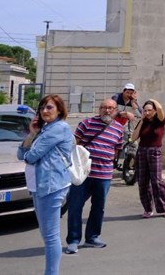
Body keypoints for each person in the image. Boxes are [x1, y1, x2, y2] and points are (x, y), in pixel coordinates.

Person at [17, 95, 73, 275]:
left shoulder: (60, 128)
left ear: (59, 110)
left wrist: (27, 154)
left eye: (49, 107)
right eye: (42, 108)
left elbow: (31, 156)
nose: (44, 111)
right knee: (47, 235)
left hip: (51, 186)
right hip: (38, 186)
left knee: (50, 236)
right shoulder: (44, 129)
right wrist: (32, 133)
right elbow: (21, 153)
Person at [65, 98, 125, 254]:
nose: (107, 110)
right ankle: (73, 240)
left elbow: (116, 150)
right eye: (104, 107)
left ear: (116, 110)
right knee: (75, 206)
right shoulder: (87, 123)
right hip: (83, 174)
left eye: (111, 108)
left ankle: (92, 237)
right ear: (99, 109)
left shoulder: (119, 128)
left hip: (104, 174)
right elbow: (74, 145)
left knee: (98, 207)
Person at [131, 99, 165, 218]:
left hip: (155, 151)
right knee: (142, 182)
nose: (147, 112)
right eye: (145, 110)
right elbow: (133, 138)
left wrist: (151, 100)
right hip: (142, 152)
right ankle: (147, 208)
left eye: (150, 110)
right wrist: (141, 121)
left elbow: (160, 109)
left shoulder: (160, 121)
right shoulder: (143, 122)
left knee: (157, 181)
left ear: (154, 111)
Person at [113, 83, 140, 169]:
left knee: (133, 143)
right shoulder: (116, 98)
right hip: (113, 125)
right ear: (123, 91)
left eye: (131, 93)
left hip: (124, 125)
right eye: (127, 92)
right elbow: (111, 112)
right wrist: (123, 113)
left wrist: (133, 104)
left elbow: (140, 115)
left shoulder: (133, 101)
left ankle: (129, 164)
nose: (129, 95)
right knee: (114, 143)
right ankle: (113, 161)